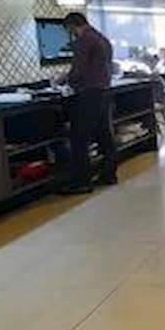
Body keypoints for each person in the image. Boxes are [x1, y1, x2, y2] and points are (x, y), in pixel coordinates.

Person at [56, 11, 117, 193]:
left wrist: (64, 80)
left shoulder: (84, 41)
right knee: (105, 135)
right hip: (104, 91)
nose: (71, 34)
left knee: (79, 138)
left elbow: (79, 69)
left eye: (70, 30)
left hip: (89, 93)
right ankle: (109, 174)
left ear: (72, 26)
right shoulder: (102, 39)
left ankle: (81, 182)